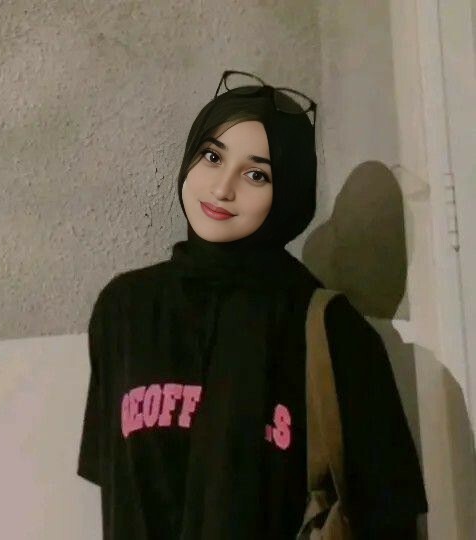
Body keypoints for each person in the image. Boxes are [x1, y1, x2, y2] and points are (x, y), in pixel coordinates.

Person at [77, 70, 428, 539]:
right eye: (212, 156)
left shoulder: (329, 329)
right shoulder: (124, 310)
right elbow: (116, 487)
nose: (222, 188)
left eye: (256, 174)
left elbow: (389, 513)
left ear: (288, 193)